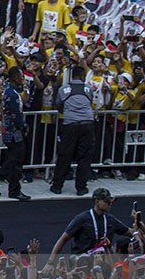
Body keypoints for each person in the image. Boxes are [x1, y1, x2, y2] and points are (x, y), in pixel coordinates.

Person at [45, 188, 132, 263]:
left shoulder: (111, 220)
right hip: (81, 261)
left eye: (110, 201)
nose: (110, 203)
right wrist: (50, 262)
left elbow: (131, 233)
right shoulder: (82, 218)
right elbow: (63, 239)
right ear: (97, 201)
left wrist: (138, 224)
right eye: (107, 201)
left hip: (102, 261)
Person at [51, 64, 97, 196]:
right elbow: (89, 101)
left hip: (70, 123)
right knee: (84, 157)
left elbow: (59, 105)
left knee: (65, 155)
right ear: (82, 76)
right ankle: (81, 188)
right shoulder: (88, 89)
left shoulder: (63, 89)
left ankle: (57, 186)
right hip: (87, 123)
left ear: (72, 76)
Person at [0, 67, 30, 201]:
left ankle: (1, 180)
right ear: (15, 78)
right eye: (21, 76)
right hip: (13, 131)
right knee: (15, 160)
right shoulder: (11, 93)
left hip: (11, 129)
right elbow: (15, 114)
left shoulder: (12, 91)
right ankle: (9, 185)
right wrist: (23, 126)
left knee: (14, 159)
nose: (22, 79)